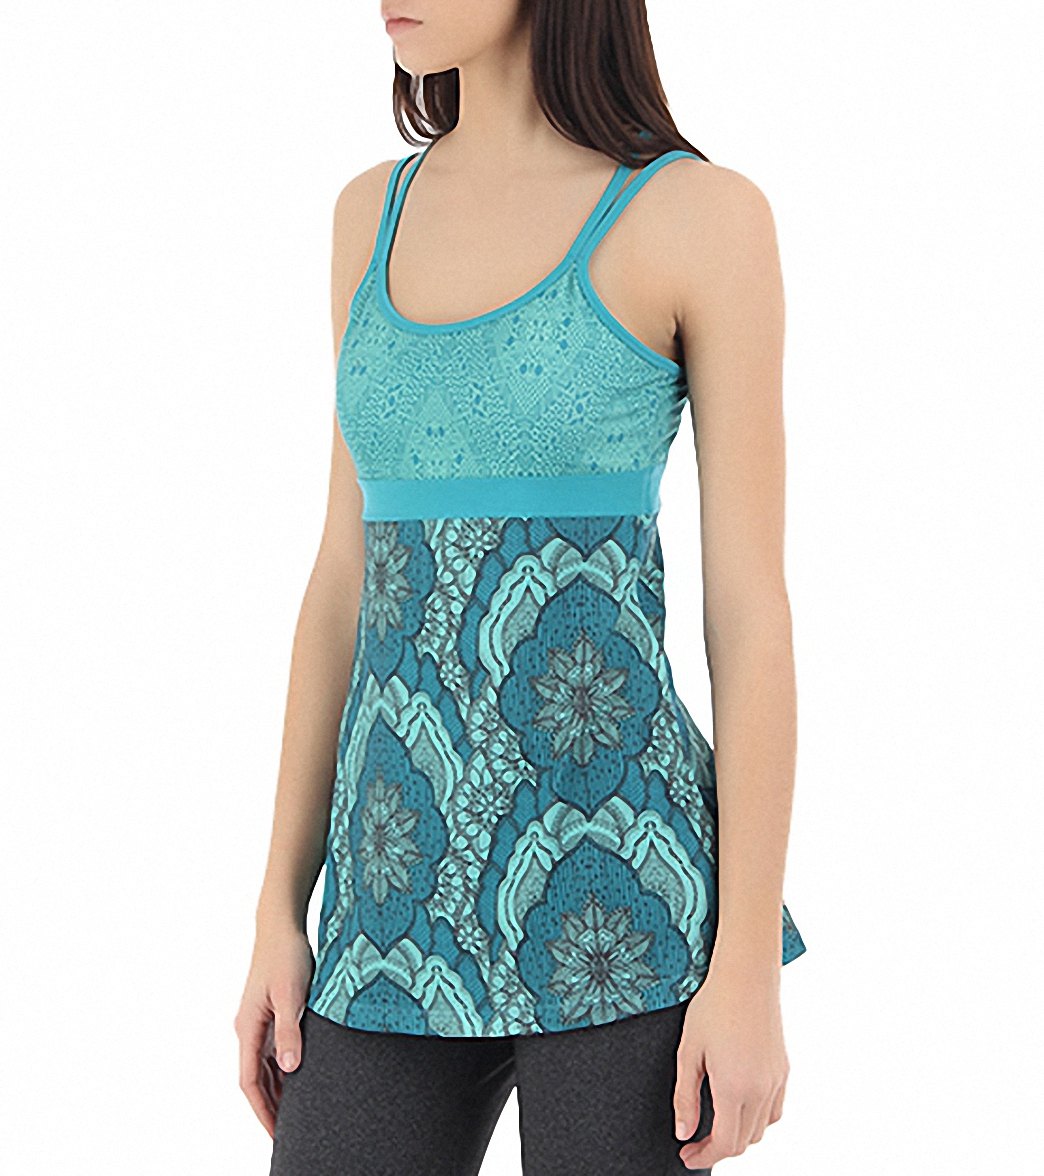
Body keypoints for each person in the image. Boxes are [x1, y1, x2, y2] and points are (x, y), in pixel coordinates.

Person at [234, 3, 809, 1173]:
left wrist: (746, 966)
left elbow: (750, 613)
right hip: (388, 913)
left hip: (619, 908)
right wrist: (277, 912)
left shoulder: (698, 217)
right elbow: (343, 583)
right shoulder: (368, 216)